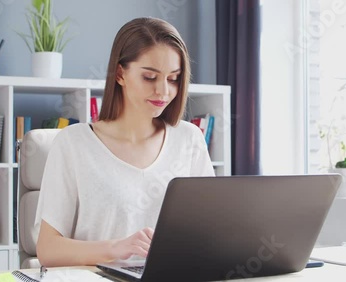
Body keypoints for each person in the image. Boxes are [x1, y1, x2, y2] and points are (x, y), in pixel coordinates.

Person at [35, 17, 215, 267]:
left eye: (173, 78)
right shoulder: (74, 143)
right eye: (150, 77)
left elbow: (210, 228)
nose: (163, 91)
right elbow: (48, 249)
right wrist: (116, 248)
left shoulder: (189, 138)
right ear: (120, 74)